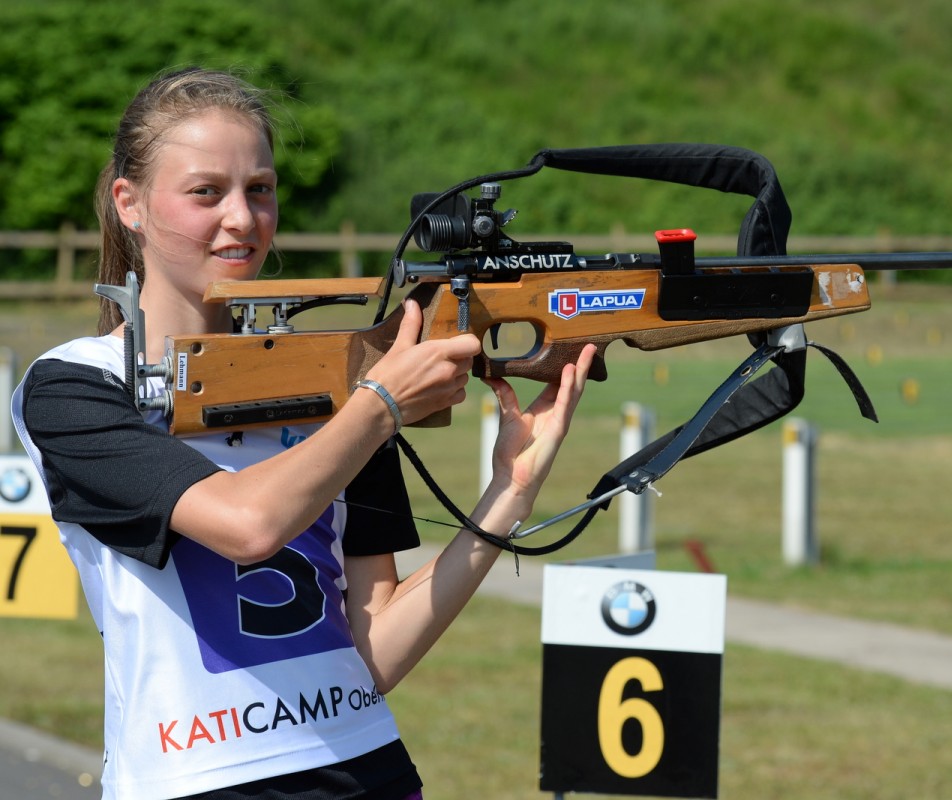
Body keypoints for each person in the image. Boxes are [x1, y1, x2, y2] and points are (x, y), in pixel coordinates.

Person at [10, 66, 595, 800]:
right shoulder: (74, 387)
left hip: (369, 768)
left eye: (260, 188)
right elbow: (247, 526)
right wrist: (378, 406)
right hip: (197, 782)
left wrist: (510, 491)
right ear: (130, 203)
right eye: (206, 192)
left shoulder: (339, 383)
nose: (242, 217)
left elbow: (372, 653)